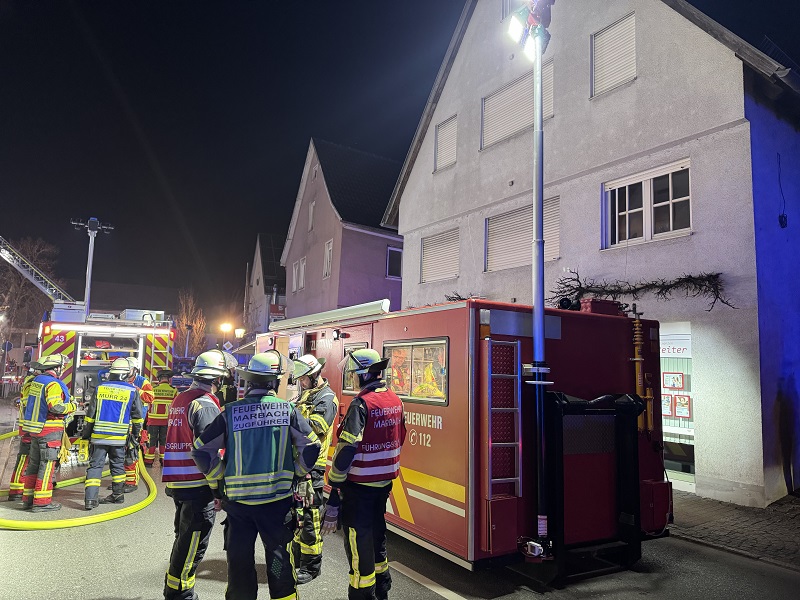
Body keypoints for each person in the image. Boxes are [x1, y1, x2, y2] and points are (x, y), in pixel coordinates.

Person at [192, 350, 321, 600]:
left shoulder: (229, 413)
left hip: (239, 507)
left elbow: (201, 451)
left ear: (249, 380)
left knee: (240, 561)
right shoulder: (287, 410)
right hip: (277, 505)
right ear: (275, 381)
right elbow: (312, 446)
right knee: (278, 559)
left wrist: (220, 478)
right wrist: (297, 473)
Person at [322, 349, 406, 600]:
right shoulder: (395, 399)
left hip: (359, 487)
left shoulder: (361, 404)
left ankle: (362, 594)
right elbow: (400, 437)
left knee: (359, 545)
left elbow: (347, 449)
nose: (353, 378)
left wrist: (334, 486)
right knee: (377, 534)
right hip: (383, 484)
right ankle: (382, 590)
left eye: (354, 374)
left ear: (365, 374)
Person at [161, 351, 226, 600]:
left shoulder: (181, 398)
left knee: (184, 539)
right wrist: (218, 489)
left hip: (179, 481)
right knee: (193, 544)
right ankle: (181, 593)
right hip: (198, 484)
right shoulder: (205, 404)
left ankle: (174, 588)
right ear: (217, 379)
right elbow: (208, 452)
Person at [290, 353, 339, 584]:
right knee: (297, 514)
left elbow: (317, 427)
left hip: (313, 466)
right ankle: (297, 559)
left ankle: (311, 567)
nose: (301, 382)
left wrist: (290, 415)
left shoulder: (327, 398)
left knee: (310, 517)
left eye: (303, 378)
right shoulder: (306, 394)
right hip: (299, 463)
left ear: (314, 375)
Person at [82, 358, 144, 509]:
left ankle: (90, 500)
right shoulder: (132, 391)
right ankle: (118, 495)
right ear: (126, 374)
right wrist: (135, 436)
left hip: (99, 437)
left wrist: (86, 435)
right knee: (118, 465)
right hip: (119, 438)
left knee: (95, 467)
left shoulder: (100, 388)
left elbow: (90, 415)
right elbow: (137, 418)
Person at [20, 354, 77, 512]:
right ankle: (42, 502)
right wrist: (73, 406)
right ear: (56, 368)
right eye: (62, 367)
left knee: (33, 465)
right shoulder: (53, 384)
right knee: (46, 467)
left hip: (36, 430)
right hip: (50, 430)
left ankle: (28, 499)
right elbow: (56, 407)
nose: (63, 369)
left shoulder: (37, 381)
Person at [8, 366, 41, 501]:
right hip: (30, 428)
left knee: (27, 460)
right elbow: (31, 406)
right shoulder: (33, 384)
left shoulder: (31, 382)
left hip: (30, 427)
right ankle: (16, 491)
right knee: (24, 459)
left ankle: (19, 489)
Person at [121, 356, 154, 489]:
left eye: (129, 369)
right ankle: (120, 480)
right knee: (119, 453)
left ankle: (131, 482)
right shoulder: (121, 380)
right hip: (122, 421)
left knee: (131, 451)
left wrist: (137, 390)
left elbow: (150, 397)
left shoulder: (142, 381)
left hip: (135, 421)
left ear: (135, 370)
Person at [144, 369, 178, 467]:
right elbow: (176, 406)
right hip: (167, 421)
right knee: (164, 441)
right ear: (169, 379)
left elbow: (146, 403)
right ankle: (163, 460)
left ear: (159, 379)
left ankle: (149, 461)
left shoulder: (153, 389)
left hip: (152, 421)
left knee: (151, 441)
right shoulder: (174, 390)